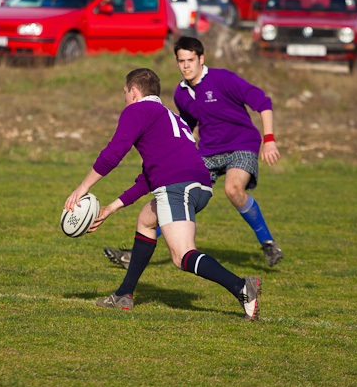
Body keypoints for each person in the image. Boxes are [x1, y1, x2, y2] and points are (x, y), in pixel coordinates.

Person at [64, 68, 262, 320]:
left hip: (177, 187)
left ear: (133, 92)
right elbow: (150, 176)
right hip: (199, 186)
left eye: (125, 93)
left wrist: (83, 188)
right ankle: (124, 294)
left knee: (182, 256)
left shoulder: (136, 111)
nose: (125, 98)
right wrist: (111, 208)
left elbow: (114, 153)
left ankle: (242, 288)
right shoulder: (170, 117)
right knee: (146, 220)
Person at [104, 36, 283, 269]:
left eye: (190, 59)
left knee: (233, 189)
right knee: (177, 196)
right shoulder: (180, 93)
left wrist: (268, 140)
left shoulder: (223, 78)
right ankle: (134, 255)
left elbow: (263, 102)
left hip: (241, 144)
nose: (186, 65)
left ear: (201, 59)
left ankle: (268, 243)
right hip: (207, 153)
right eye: (181, 61)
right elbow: (185, 128)